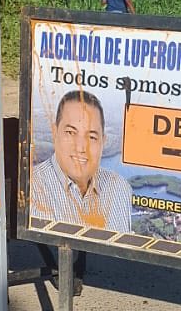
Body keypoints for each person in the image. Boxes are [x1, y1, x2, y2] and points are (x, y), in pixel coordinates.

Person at [30, 90, 132, 232]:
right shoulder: (31, 189)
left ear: (103, 141)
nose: (81, 148)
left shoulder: (120, 188)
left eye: (92, 137)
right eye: (71, 133)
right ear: (55, 132)